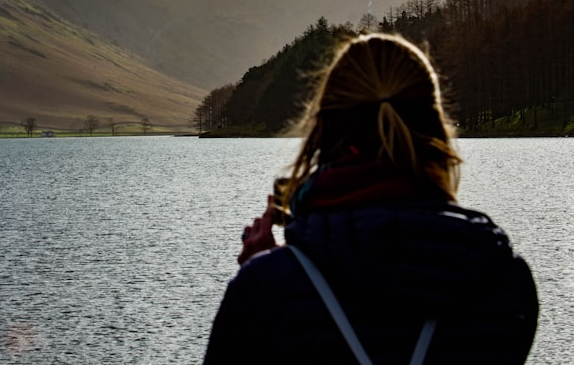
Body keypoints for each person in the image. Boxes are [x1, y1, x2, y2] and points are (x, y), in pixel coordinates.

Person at [203, 33, 538, 364]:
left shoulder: (265, 291)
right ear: (436, 129)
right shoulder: (503, 280)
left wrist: (266, 277)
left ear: (325, 129)